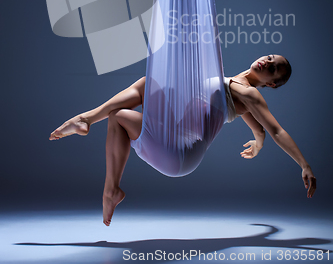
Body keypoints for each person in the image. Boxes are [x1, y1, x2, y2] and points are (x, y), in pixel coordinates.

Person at [49, 54, 316, 226]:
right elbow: (259, 129)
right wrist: (258, 143)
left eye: (273, 69)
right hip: (172, 138)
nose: (267, 63)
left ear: (271, 84)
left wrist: (304, 165)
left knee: (140, 93)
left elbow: (275, 130)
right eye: (270, 58)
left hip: (180, 150)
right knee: (129, 104)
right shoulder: (237, 88)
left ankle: (85, 120)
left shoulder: (249, 94)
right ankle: (111, 190)